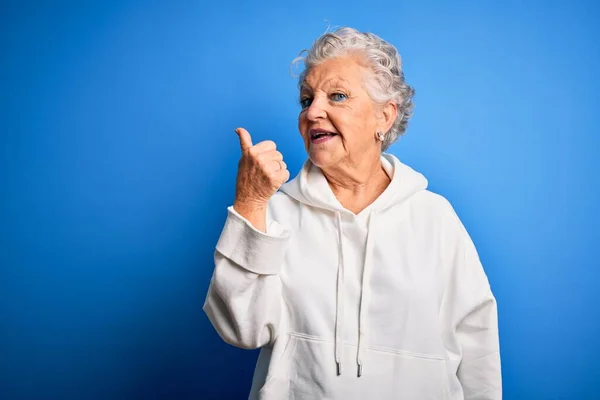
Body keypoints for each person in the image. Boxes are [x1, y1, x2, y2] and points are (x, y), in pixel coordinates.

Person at [203, 27, 501, 400]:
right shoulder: (274, 211)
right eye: (306, 99)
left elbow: (478, 348)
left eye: (337, 96)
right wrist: (249, 203)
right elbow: (240, 329)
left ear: (384, 117)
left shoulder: (435, 217)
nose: (313, 112)